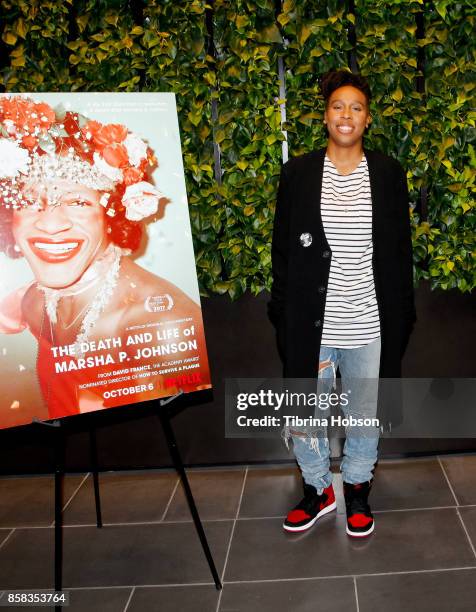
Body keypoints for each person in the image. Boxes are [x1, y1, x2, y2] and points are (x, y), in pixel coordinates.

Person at [0, 95, 210, 425]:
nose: (51, 224)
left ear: (110, 216)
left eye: (78, 203)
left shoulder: (161, 322)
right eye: (30, 202)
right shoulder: (30, 301)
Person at [268, 70, 415, 537]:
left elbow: (399, 252)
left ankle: (355, 488)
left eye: (355, 107)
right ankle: (317, 489)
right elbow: (283, 252)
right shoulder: (298, 174)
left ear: (367, 119)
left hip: (369, 321)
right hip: (311, 326)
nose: (346, 114)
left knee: (363, 414)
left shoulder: (388, 173)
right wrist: (282, 312)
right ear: (325, 116)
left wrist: (402, 315)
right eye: (337, 106)